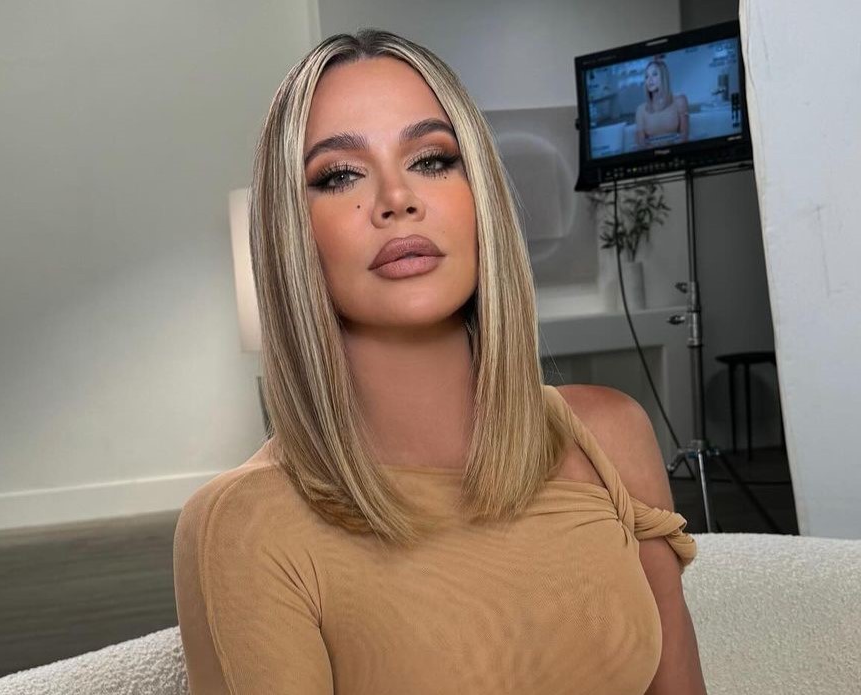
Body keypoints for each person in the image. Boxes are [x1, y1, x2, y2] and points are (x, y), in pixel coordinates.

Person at [173, 28, 706, 694]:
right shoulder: (244, 525)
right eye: (340, 175)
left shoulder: (611, 436)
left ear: (478, 192)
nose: (397, 199)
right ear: (291, 231)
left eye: (431, 160)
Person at [635, 57, 689, 149]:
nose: (649, 80)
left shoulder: (680, 101)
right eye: (647, 76)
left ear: (664, 77)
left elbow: (684, 136)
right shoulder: (640, 110)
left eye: (654, 74)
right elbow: (641, 143)